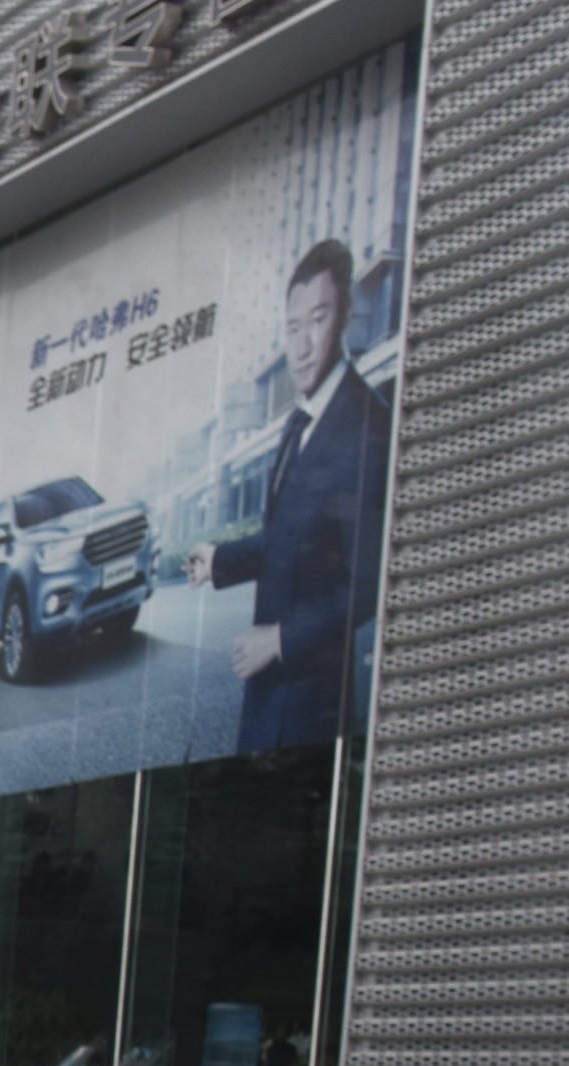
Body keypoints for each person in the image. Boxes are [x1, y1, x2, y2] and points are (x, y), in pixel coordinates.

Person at [188, 238, 393, 756]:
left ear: (346, 315)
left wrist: (279, 640)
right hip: (265, 700)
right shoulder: (297, 422)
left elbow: (366, 583)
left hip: (311, 709)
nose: (301, 346)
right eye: (292, 327)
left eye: (317, 321)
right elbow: (286, 537)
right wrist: (219, 561)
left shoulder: (368, 425)